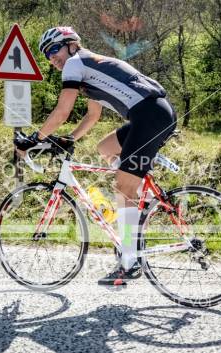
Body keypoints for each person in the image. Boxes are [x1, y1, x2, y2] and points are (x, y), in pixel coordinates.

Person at [17, 26, 176, 286]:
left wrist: (36, 139)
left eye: (53, 49)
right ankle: (142, 197)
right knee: (105, 148)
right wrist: (67, 139)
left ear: (70, 44)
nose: (51, 58)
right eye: (46, 55)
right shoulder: (90, 68)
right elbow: (92, 116)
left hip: (149, 116)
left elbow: (62, 111)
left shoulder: (75, 64)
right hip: (151, 115)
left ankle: (129, 260)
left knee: (122, 188)